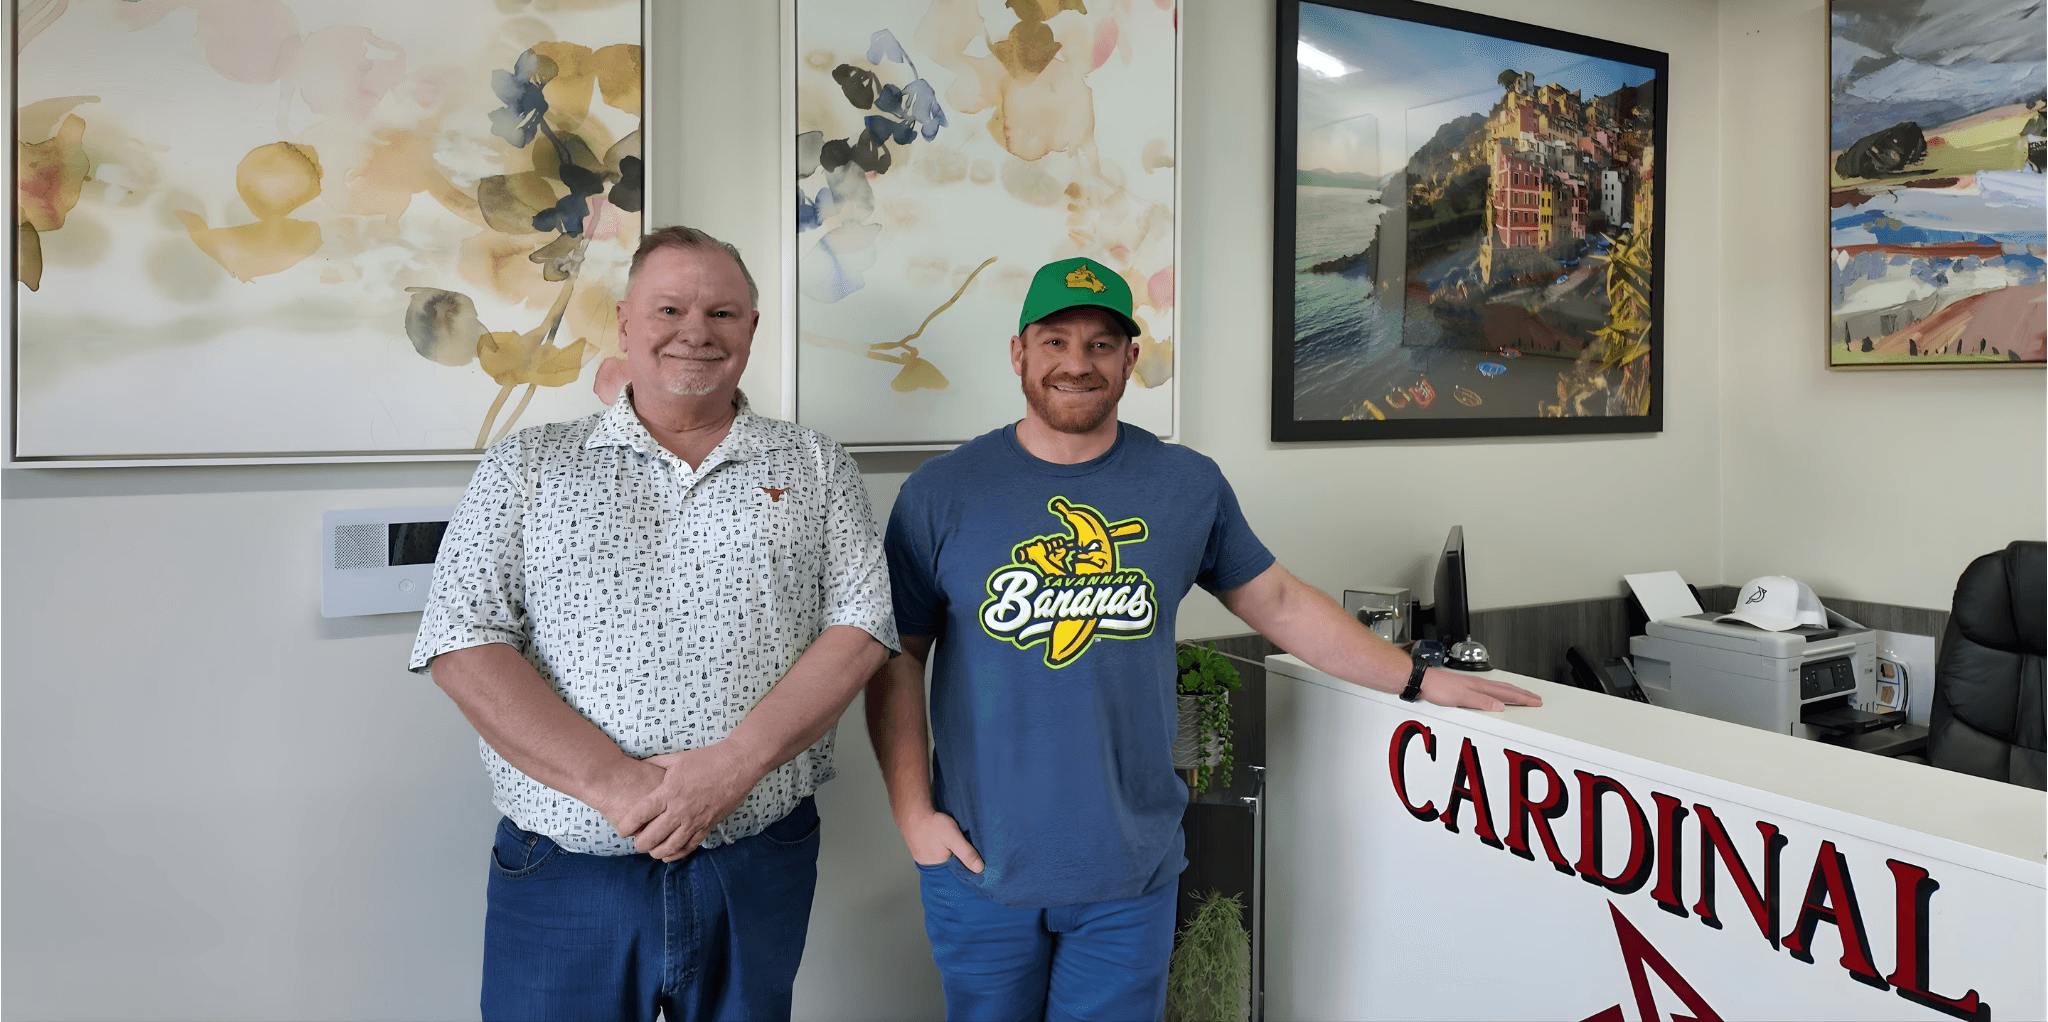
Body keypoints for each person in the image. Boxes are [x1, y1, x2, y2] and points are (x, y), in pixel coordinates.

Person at [866, 256, 1543, 1020]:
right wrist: (912, 815)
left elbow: (1279, 601)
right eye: (1055, 341)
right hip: (981, 869)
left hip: (1130, 869)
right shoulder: (940, 493)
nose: (1076, 363)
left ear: (1130, 359)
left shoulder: (1185, 485)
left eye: (1100, 344)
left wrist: (1417, 679)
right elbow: (898, 660)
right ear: (1019, 352)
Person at [410, 225, 898, 1021]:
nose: (696, 332)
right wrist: (619, 786)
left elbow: (863, 627)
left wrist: (730, 768)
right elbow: (462, 641)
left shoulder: (814, 464)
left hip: (756, 856)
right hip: (570, 865)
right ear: (626, 321)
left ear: (752, 330)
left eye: (724, 313)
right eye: (669, 307)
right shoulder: (529, 464)